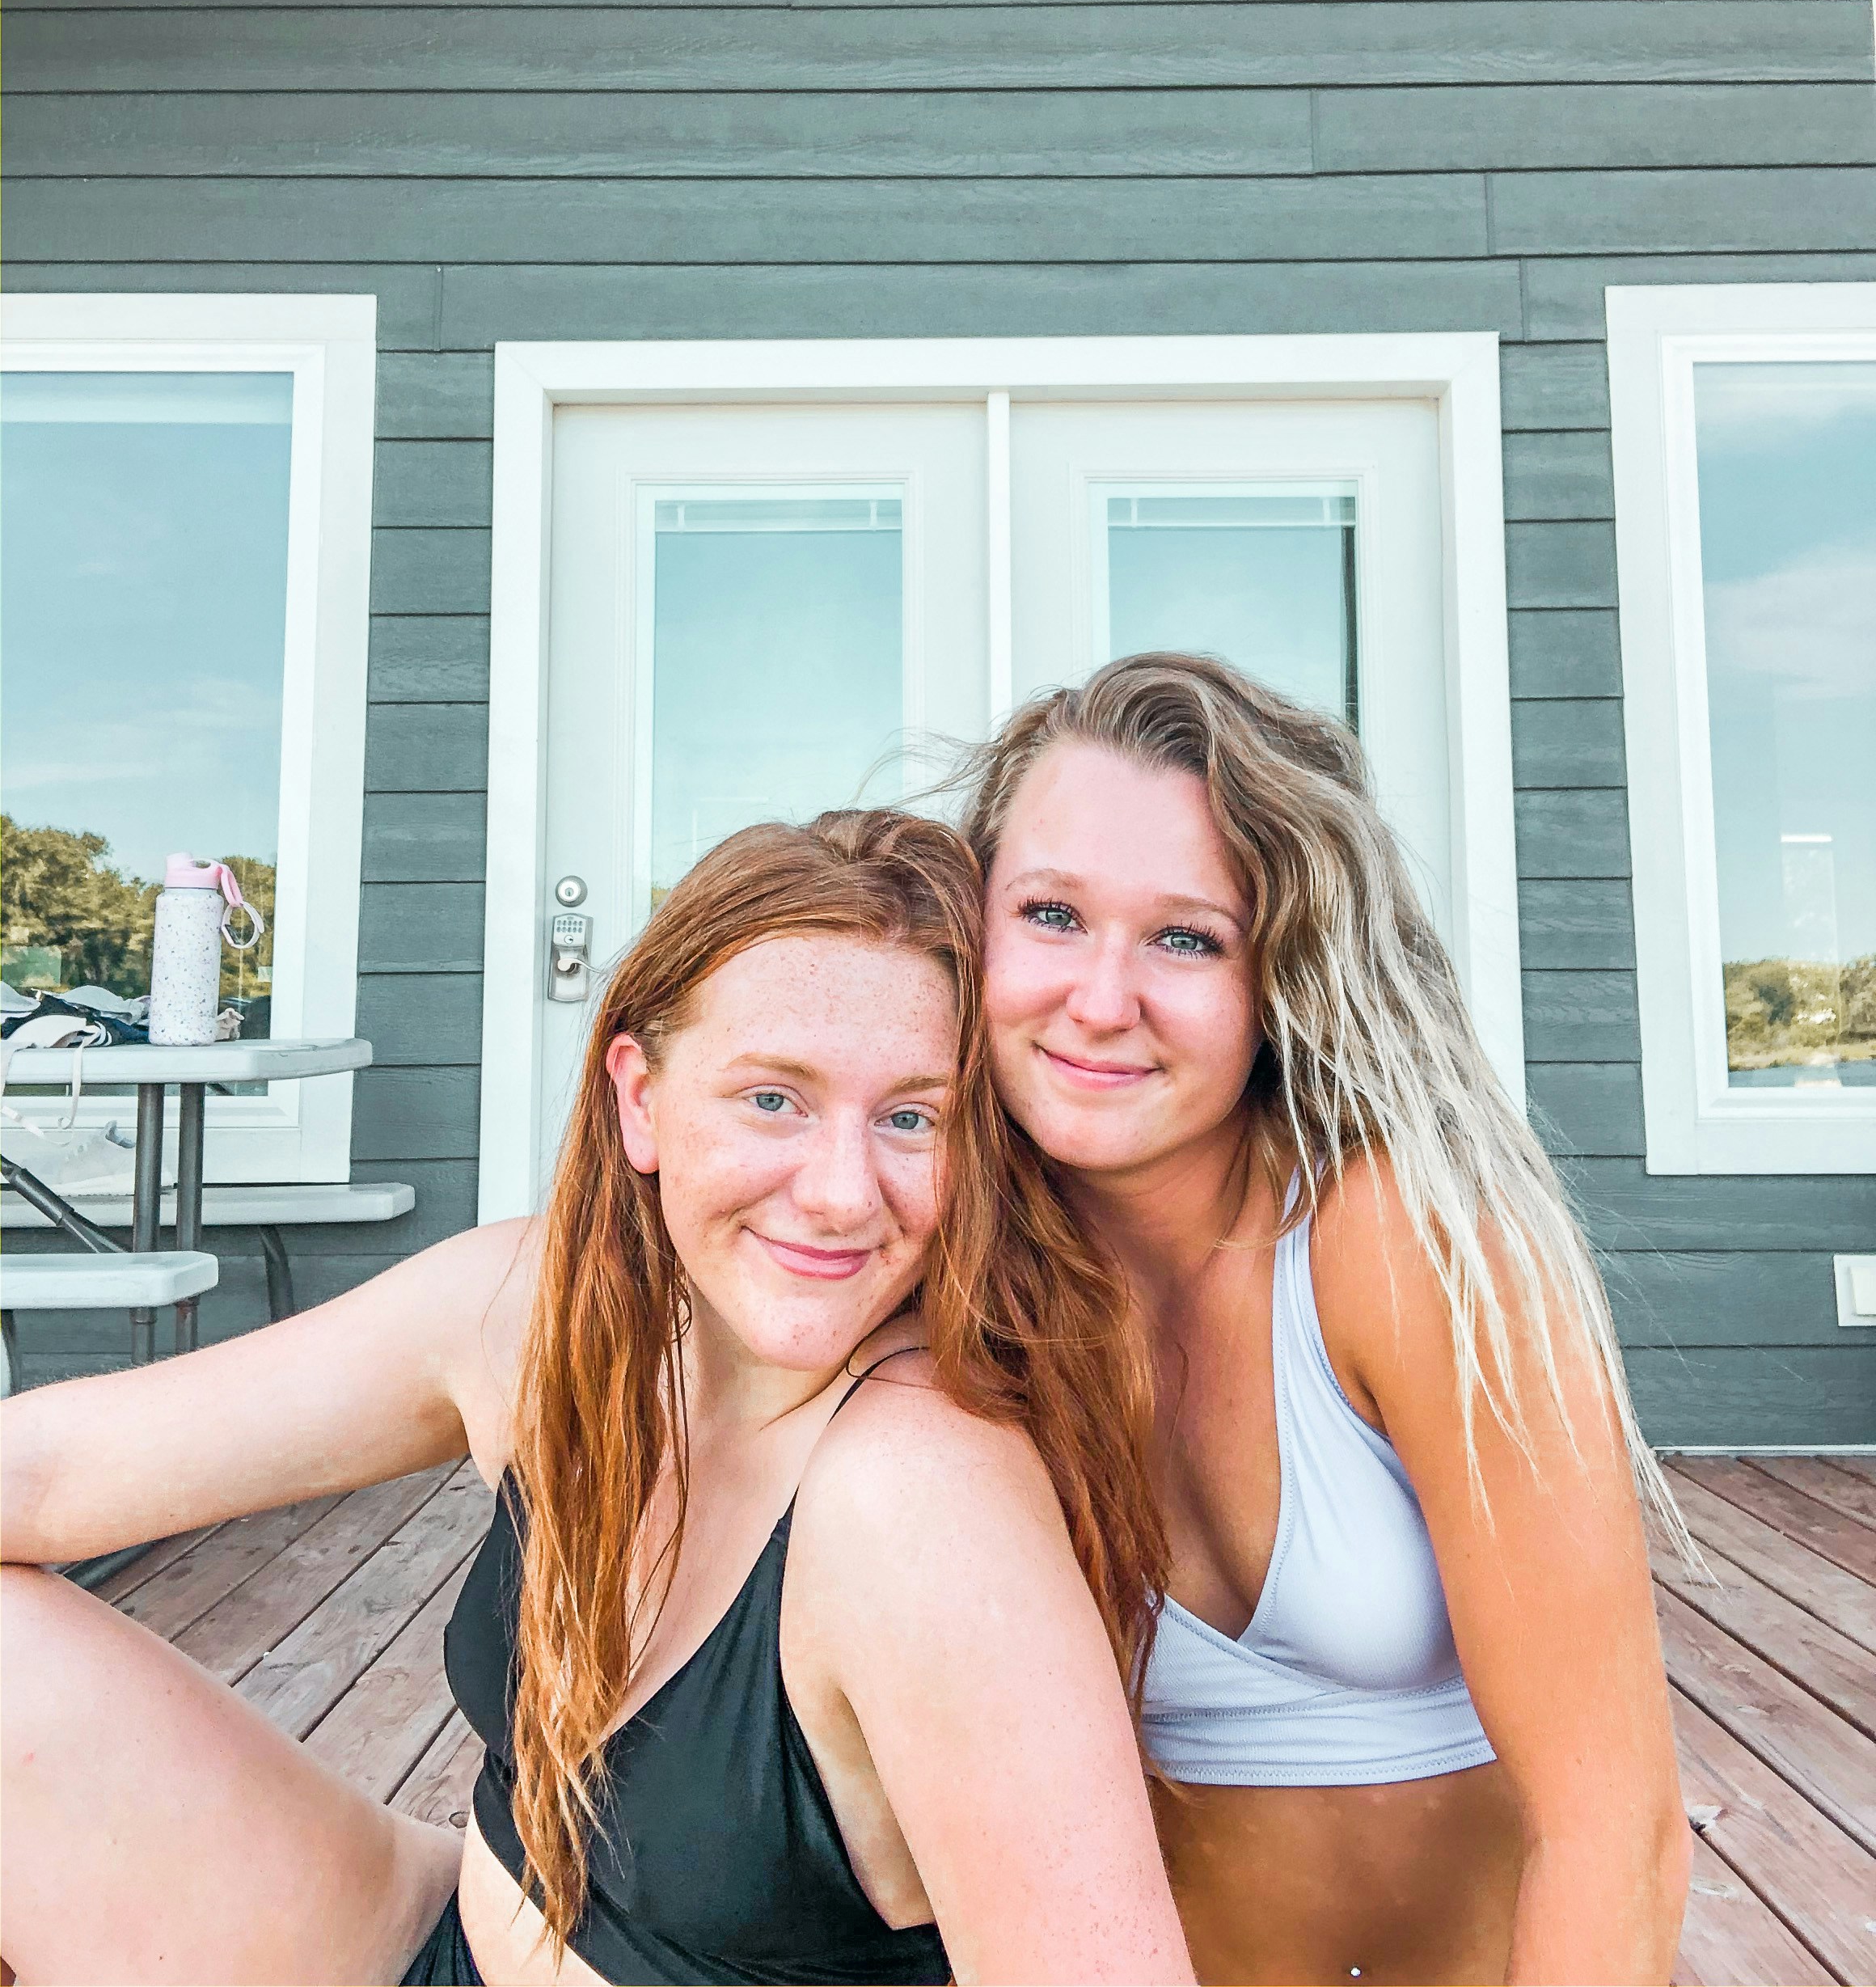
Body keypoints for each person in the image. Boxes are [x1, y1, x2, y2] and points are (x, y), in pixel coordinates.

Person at [1, 811, 1194, 1987]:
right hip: (423, 1939)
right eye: (773, 1098)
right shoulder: (538, 1314)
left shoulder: (922, 1495)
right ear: (641, 1099)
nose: (841, 1193)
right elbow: (49, 1471)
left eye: (910, 1118)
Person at [960, 655, 1692, 1987]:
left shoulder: (1402, 1241)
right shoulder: (963, 1277)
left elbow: (1617, 1834)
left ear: (1278, 971)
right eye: (1053, 914)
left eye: (1187, 937)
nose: (1102, 998)